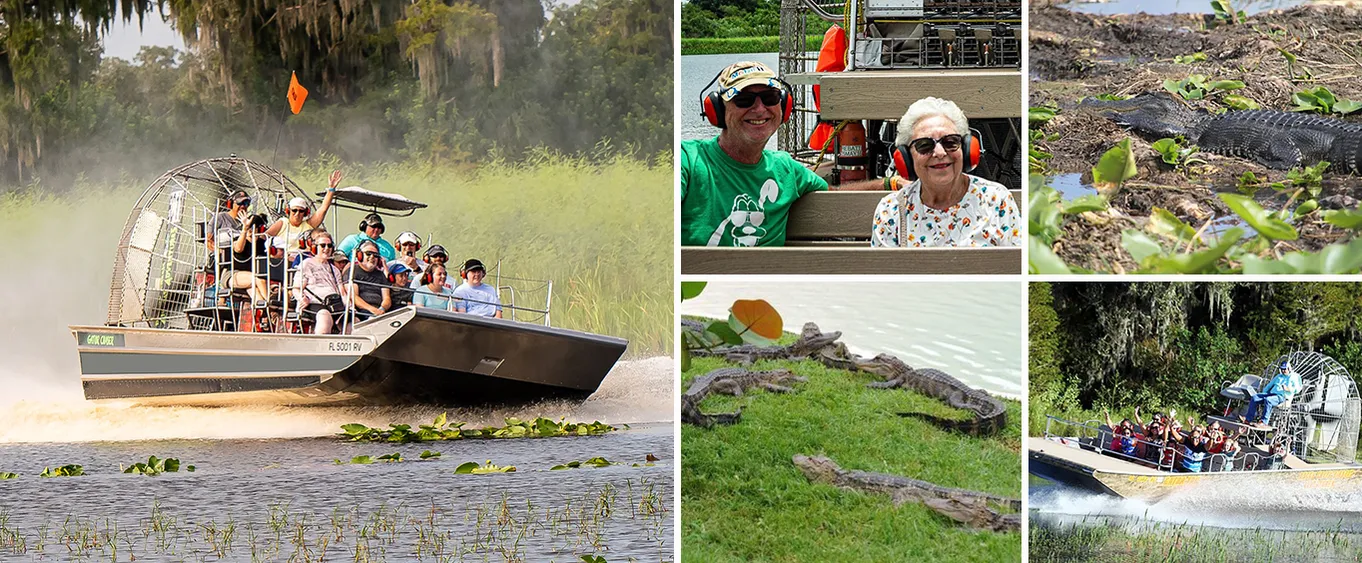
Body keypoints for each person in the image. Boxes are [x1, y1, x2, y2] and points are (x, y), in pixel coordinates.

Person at [681, 61, 883, 248]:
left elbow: (835, 195)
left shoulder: (786, 169)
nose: (760, 109)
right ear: (717, 110)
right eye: (743, 100)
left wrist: (889, 184)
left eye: (770, 98)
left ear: (783, 107)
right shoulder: (687, 159)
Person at [871, 97, 1021, 247]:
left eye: (950, 142)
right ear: (906, 158)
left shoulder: (996, 200)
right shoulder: (891, 211)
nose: (940, 153)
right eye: (924, 145)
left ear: (966, 149)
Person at [265, 170, 341, 259]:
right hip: (282, 260)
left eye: (301, 211)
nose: (297, 214)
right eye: (294, 210)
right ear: (288, 211)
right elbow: (265, 237)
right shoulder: (283, 222)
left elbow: (323, 209)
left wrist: (331, 189)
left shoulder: (308, 225)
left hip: (302, 260)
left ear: (306, 213)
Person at [295, 232, 347, 334]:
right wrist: (302, 298)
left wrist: (349, 306)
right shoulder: (307, 264)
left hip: (335, 304)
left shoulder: (335, 269)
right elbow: (296, 288)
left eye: (329, 245)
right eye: (323, 245)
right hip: (315, 303)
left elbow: (342, 292)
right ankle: (319, 347)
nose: (326, 248)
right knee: (325, 317)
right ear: (315, 247)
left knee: (353, 321)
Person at [1244, 360, 1303, 429]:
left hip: (1282, 397)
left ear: (1289, 369)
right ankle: (1248, 419)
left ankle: (1264, 422)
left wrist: (1288, 389)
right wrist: (1263, 393)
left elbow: (1298, 389)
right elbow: (1269, 385)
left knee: (1268, 400)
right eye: (1282, 369)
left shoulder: (1293, 377)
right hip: (1272, 394)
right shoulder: (1278, 376)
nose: (1283, 371)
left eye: (1285, 369)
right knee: (1255, 397)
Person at [342, 241, 391, 321]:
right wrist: (373, 310)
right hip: (362, 313)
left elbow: (387, 298)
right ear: (359, 255)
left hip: (381, 312)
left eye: (375, 255)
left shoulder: (381, 275)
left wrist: (382, 309)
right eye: (368, 253)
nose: (372, 257)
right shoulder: (352, 272)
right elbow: (354, 297)